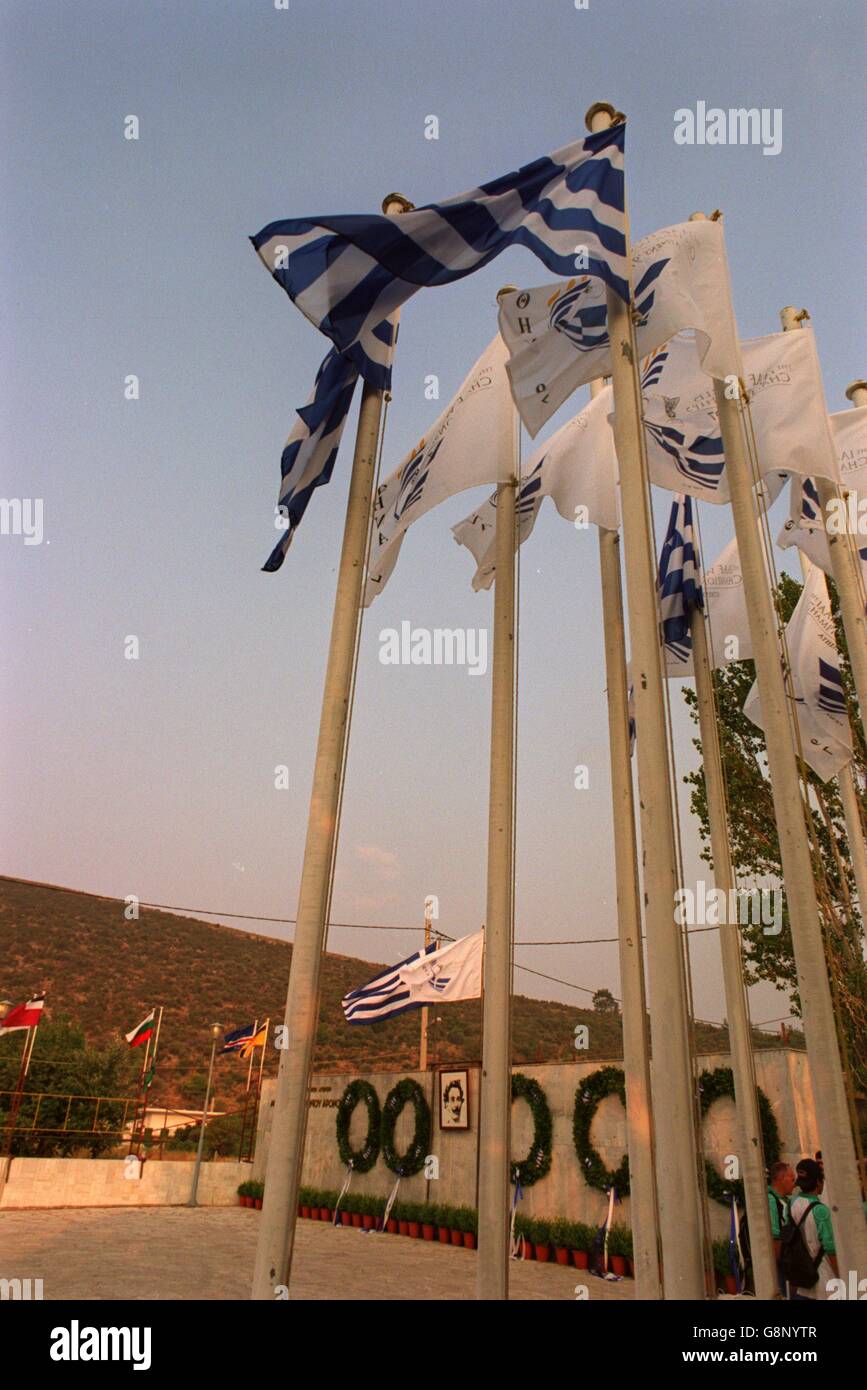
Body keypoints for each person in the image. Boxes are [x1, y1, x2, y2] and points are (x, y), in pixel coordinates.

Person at [788, 1158, 838, 1300]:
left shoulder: (792, 1204)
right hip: (824, 1279)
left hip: (802, 1279)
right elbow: (831, 1249)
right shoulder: (821, 1211)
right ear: (818, 1182)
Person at [767, 1161, 795, 1294]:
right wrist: (783, 1264)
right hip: (779, 1265)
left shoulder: (785, 1200)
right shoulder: (771, 1200)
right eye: (792, 1179)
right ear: (781, 1179)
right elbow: (775, 1236)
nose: (794, 1184)